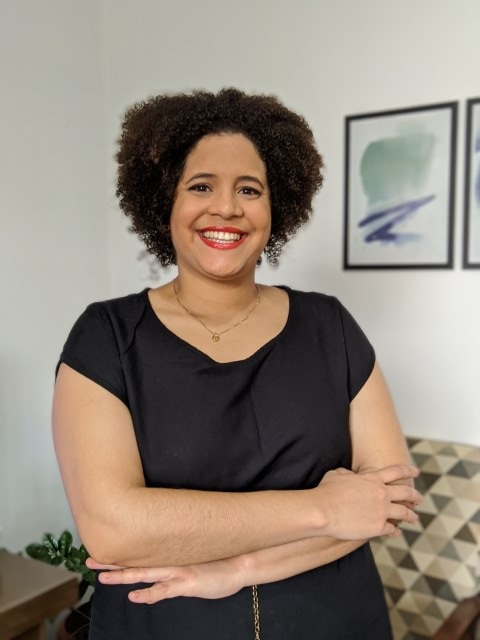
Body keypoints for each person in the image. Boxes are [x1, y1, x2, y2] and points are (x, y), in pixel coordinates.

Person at [52, 88, 422, 640]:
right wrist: (324, 509)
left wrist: (240, 569)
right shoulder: (105, 336)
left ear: (277, 207)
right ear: (164, 202)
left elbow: (384, 503)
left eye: (249, 189)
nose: (226, 207)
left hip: (334, 620)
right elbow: (113, 528)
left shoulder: (331, 326)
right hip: (161, 625)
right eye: (201, 186)